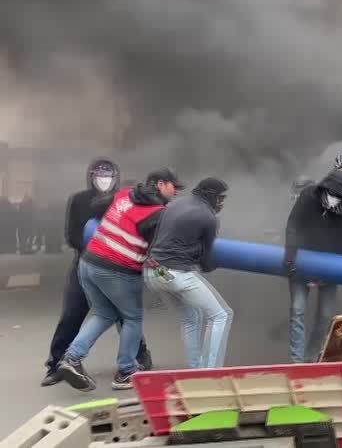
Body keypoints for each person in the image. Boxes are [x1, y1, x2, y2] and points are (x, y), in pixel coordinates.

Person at [57, 168, 182, 392]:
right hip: (117, 270)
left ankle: (71, 358)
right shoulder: (158, 213)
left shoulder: (125, 193)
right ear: (161, 184)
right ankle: (125, 372)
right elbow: (159, 251)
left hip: (89, 262)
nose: (176, 192)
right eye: (175, 187)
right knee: (132, 318)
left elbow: (95, 207)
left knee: (104, 314)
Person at [42, 159, 154, 387]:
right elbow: (72, 235)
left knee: (125, 314)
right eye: (99, 174)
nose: (104, 179)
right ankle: (56, 364)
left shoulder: (123, 198)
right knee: (73, 313)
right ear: (90, 176)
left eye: (109, 175)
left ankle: (139, 356)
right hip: (86, 262)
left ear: (116, 177)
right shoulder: (79, 200)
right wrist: (99, 249)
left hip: (118, 264)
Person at [144, 178, 231, 368]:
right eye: (221, 198)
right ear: (211, 196)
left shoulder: (175, 204)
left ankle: (195, 368)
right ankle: (210, 370)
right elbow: (206, 264)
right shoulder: (208, 217)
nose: (222, 203)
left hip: (155, 272)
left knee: (191, 318)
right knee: (221, 315)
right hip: (175, 274)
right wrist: (218, 261)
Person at [284, 165, 342, 363]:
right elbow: (293, 225)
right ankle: (297, 362)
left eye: (336, 196)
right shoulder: (308, 196)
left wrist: (323, 277)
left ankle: (312, 358)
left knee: (325, 317)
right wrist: (290, 258)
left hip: (328, 269)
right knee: (297, 310)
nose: (331, 198)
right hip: (300, 261)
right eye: (329, 194)